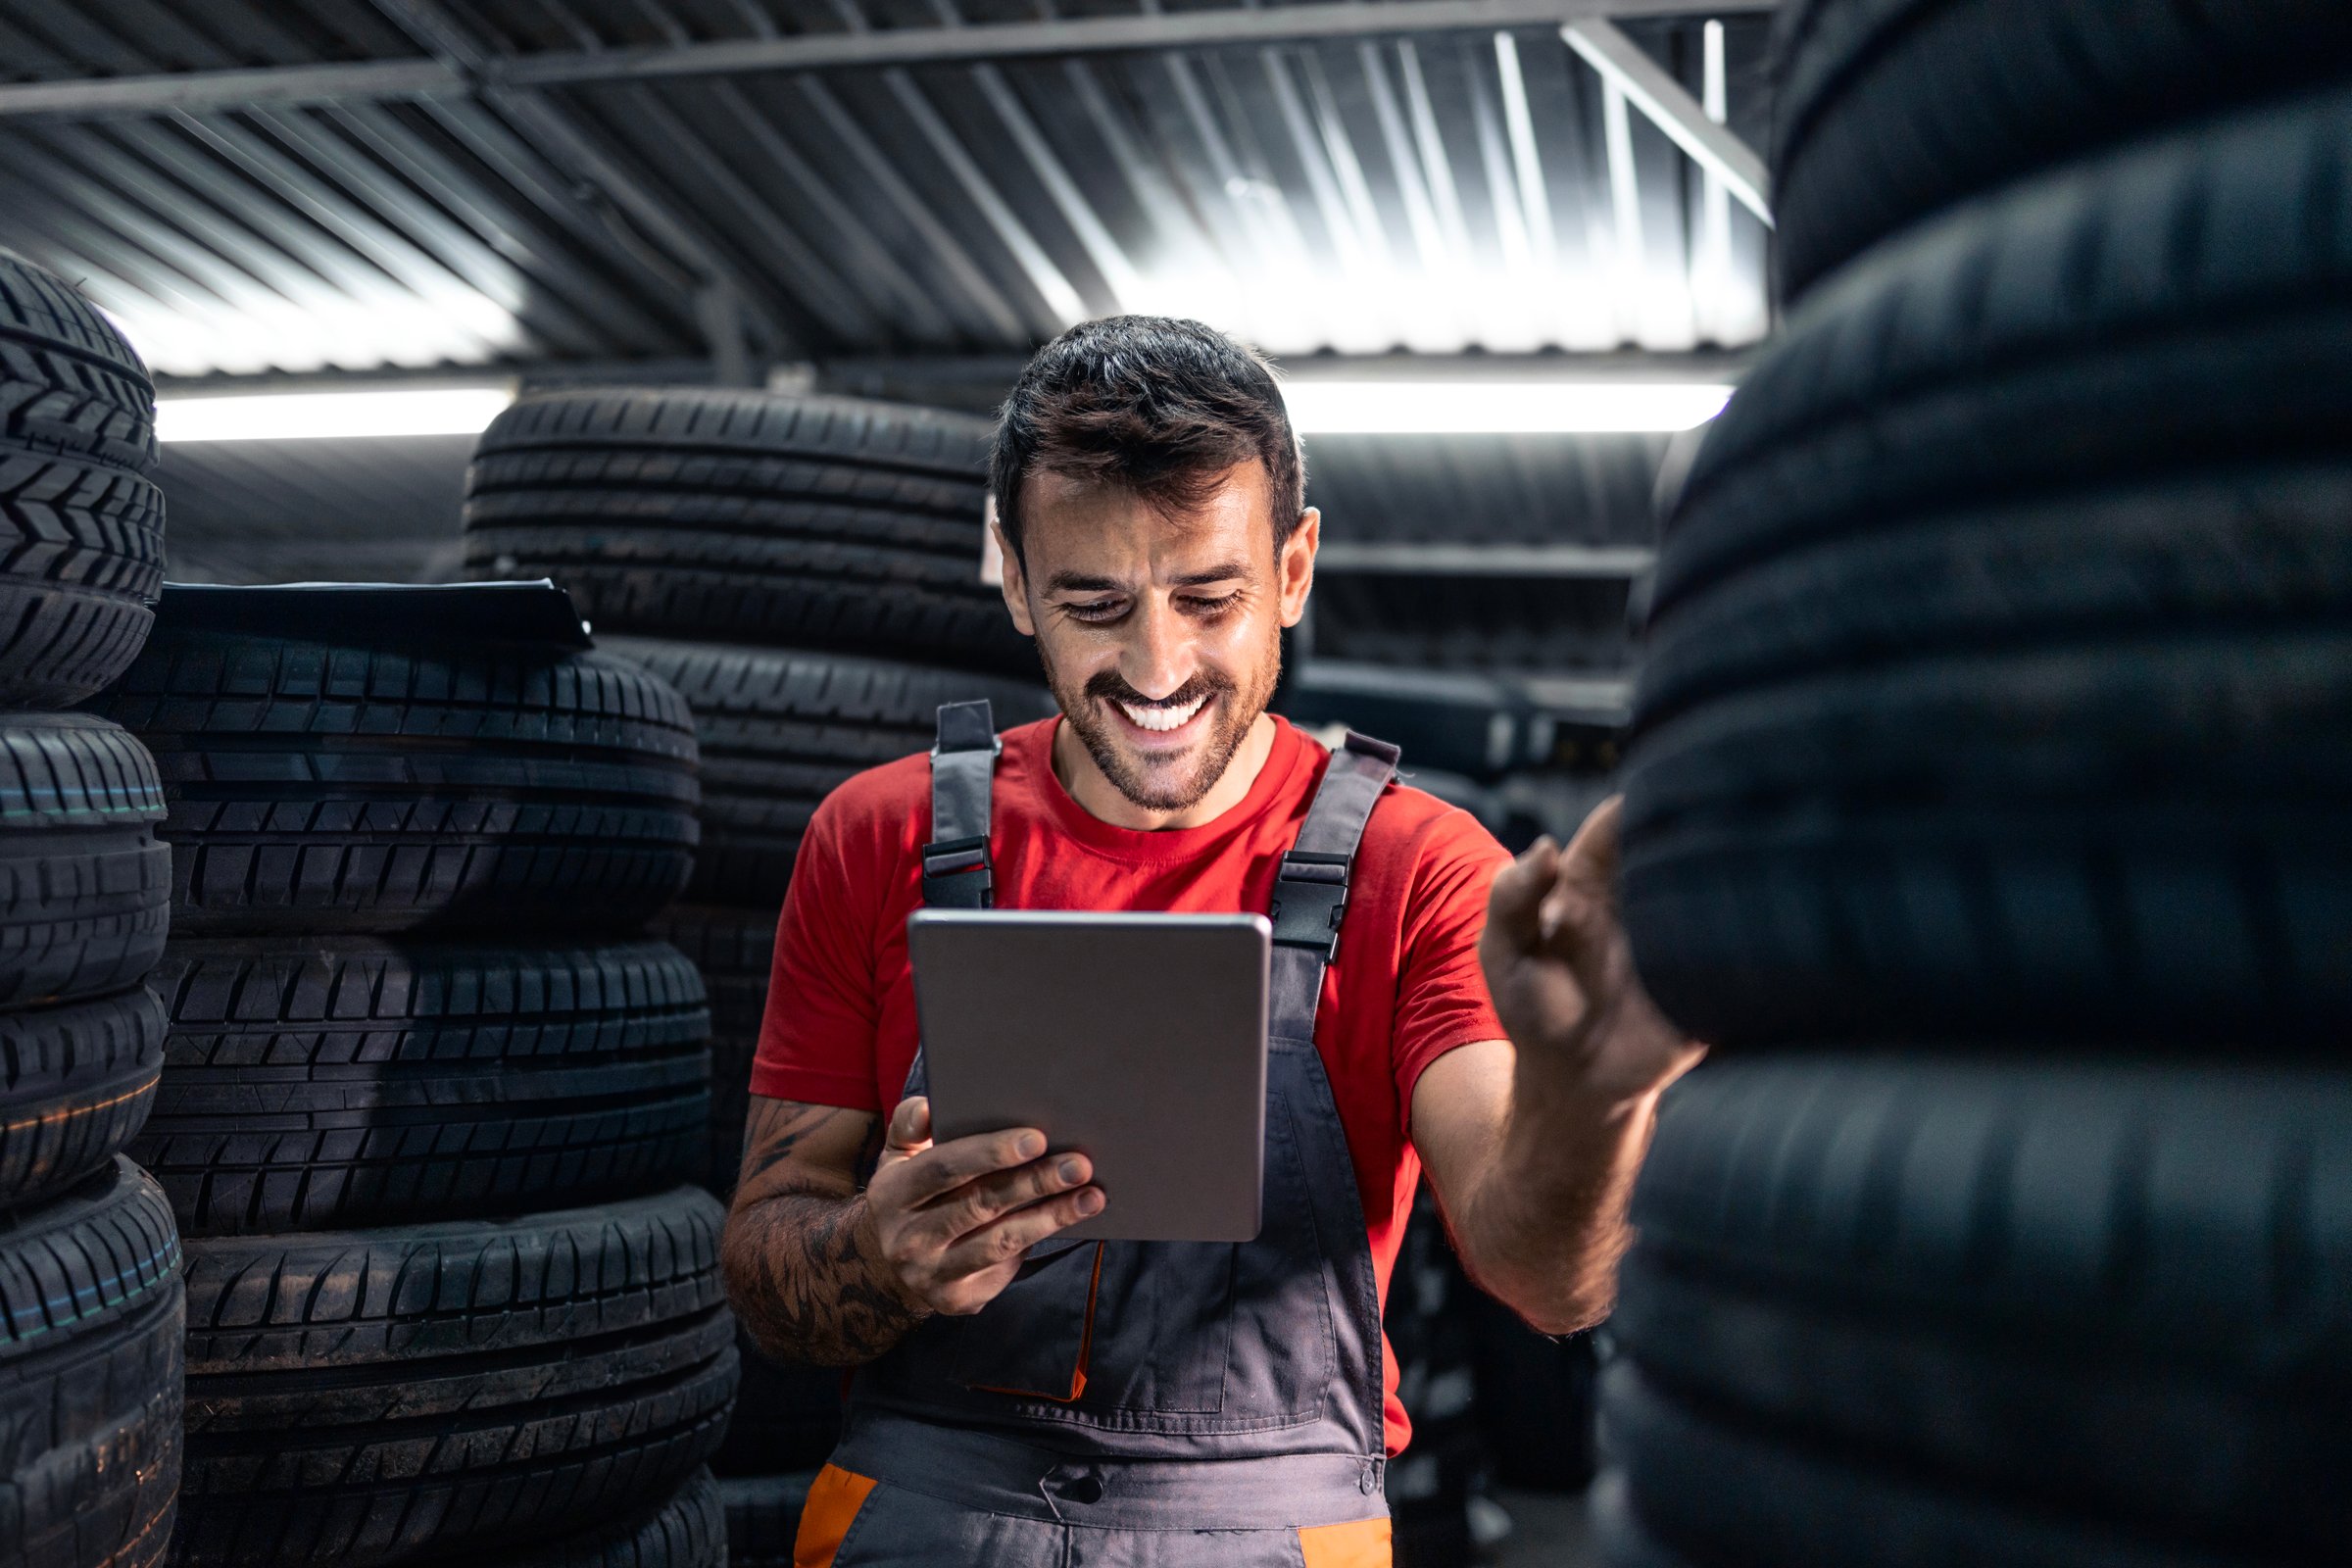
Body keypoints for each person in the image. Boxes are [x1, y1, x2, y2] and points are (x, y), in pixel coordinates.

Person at [719, 316, 1704, 1566]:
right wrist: (875, 1255)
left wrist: (1591, 1098)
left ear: (1294, 568)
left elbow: (1551, 1280)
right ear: (1015, 578)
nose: (1155, 664)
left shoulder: (1424, 869)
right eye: (1093, 602)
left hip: (1272, 1531)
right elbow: (763, 1255)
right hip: (922, 1516)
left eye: (1210, 598)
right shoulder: (876, 837)